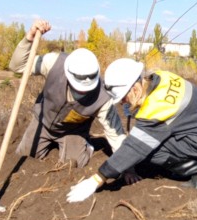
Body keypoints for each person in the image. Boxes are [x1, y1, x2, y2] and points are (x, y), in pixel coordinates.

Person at [66, 58, 197, 203]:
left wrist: (97, 178)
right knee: (150, 145)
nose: (122, 103)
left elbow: (135, 147)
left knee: (151, 151)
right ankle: (191, 161)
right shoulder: (158, 78)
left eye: (123, 98)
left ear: (134, 89)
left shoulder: (158, 106)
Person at [9, 19, 126, 168]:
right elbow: (17, 66)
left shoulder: (103, 98)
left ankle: (86, 146)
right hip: (42, 121)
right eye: (78, 87)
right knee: (25, 155)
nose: (83, 91)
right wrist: (28, 39)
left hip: (73, 131)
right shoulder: (54, 62)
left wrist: (127, 168)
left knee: (75, 163)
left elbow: (115, 134)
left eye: (87, 88)